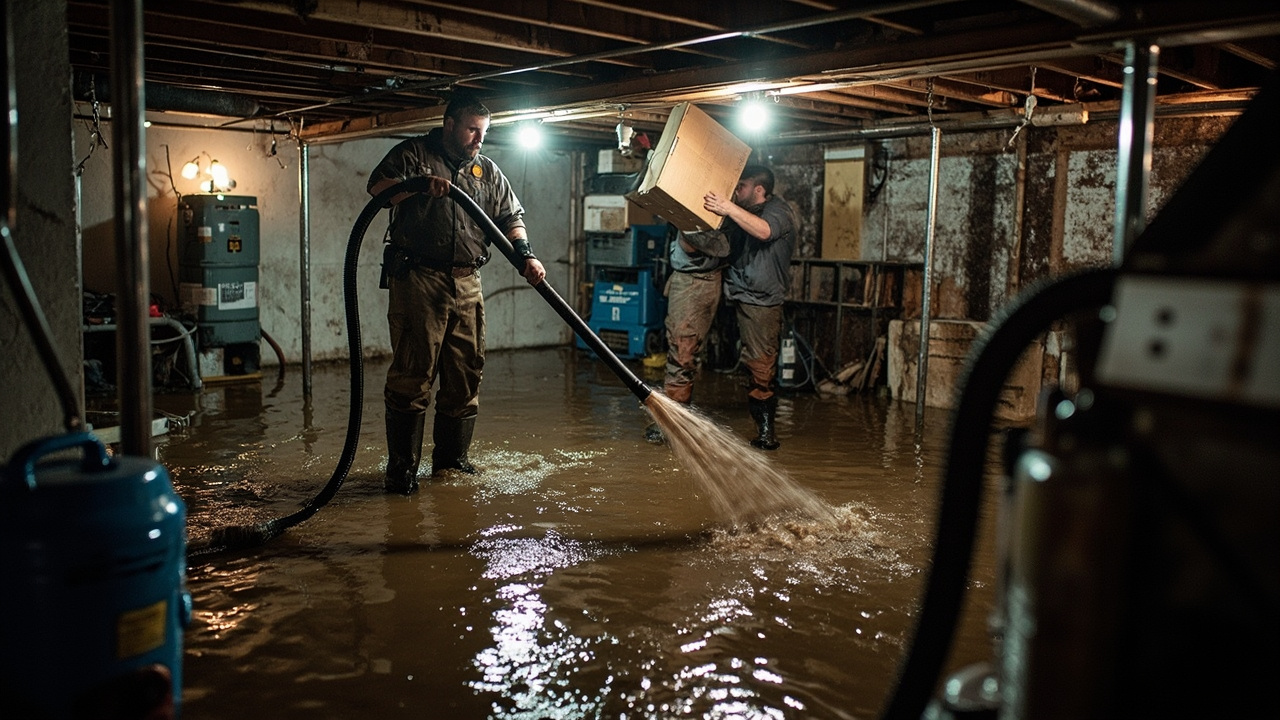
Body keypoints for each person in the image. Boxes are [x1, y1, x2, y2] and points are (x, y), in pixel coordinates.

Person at [367, 95, 546, 494]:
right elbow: (377, 189)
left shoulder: (487, 171)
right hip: (419, 279)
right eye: (472, 129)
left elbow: (509, 216)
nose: (478, 139)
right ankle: (402, 472)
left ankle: (451, 463)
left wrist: (526, 256)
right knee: (414, 373)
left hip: (467, 282)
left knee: (466, 371)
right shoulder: (414, 153)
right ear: (449, 124)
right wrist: (415, 187)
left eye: (484, 132)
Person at [707, 164, 799, 450]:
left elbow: (764, 232)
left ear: (759, 190)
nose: (737, 192)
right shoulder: (744, 212)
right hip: (736, 293)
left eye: (742, 186)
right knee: (747, 364)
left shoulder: (778, 212)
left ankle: (766, 434)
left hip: (761, 301)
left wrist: (727, 208)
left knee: (761, 368)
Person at [643, 225, 732, 444]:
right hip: (688, 277)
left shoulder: (707, 204)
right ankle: (675, 419)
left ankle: (674, 422)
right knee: (679, 348)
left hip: (699, 280)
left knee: (683, 350)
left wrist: (682, 222)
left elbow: (693, 245)